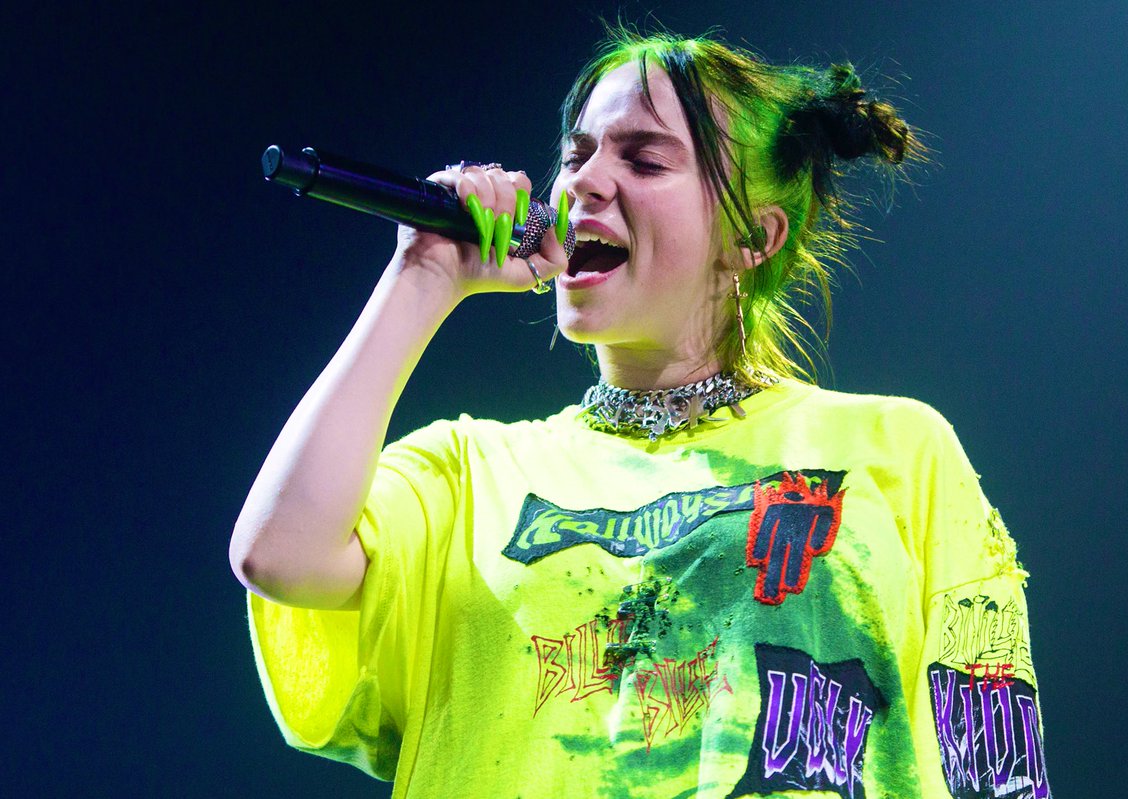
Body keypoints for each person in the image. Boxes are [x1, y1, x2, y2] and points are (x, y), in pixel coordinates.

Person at [230, 27, 1051, 799]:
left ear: (753, 237)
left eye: (645, 159)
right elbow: (279, 552)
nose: (582, 182)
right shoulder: (471, 472)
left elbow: (995, 761)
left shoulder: (893, 449)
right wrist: (423, 275)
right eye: (575, 155)